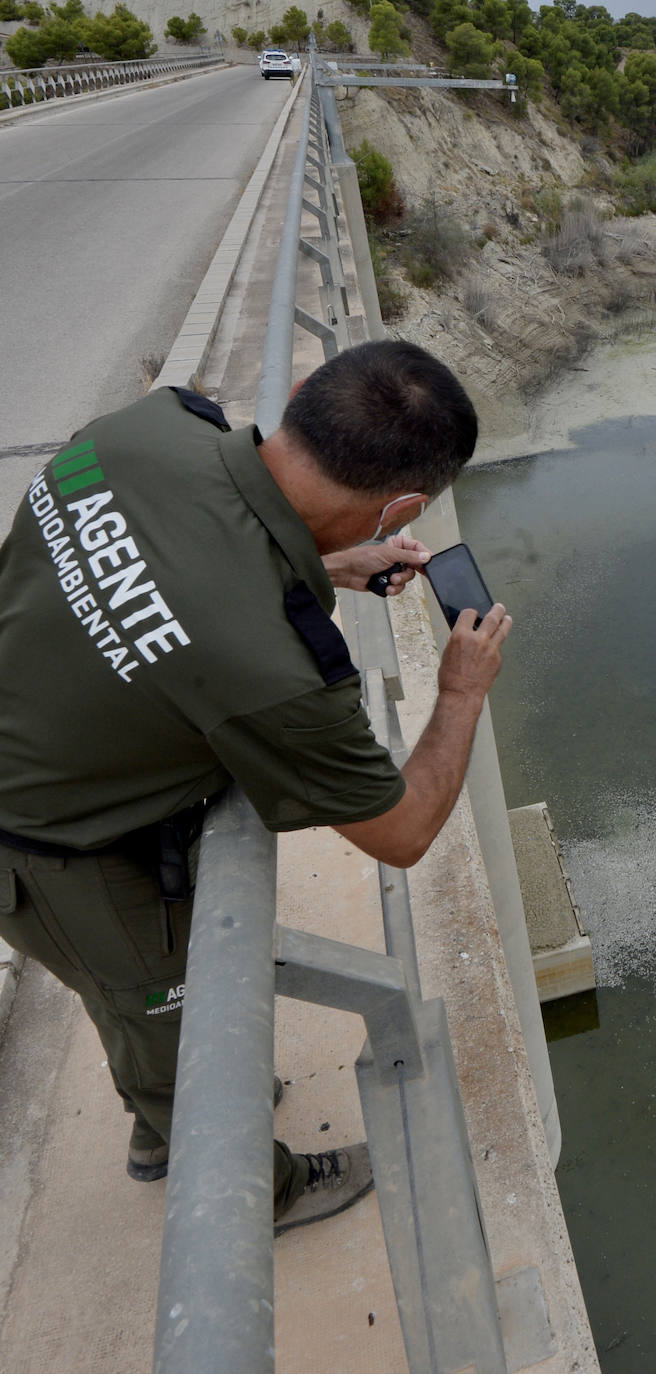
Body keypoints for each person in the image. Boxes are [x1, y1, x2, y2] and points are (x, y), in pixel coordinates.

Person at [0, 340, 511, 1232]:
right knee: (166, 1010)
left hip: (37, 722)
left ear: (307, 392)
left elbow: (191, 550)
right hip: (45, 842)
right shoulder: (281, 675)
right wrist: (462, 691)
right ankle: (251, 1188)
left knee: (135, 999)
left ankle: (162, 1116)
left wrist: (328, 564)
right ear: (402, 507)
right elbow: (403, 830)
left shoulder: (140, 430)